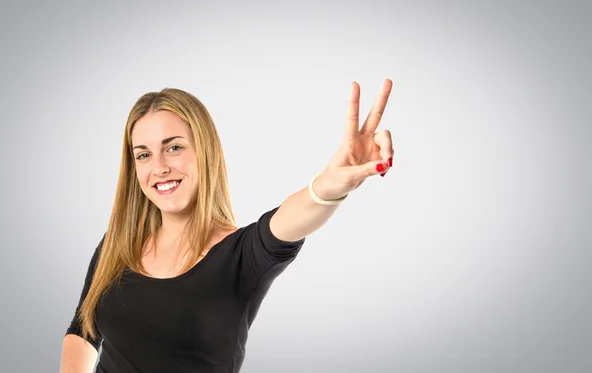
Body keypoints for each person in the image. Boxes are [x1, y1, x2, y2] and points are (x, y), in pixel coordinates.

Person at [59, 79, 394, 373]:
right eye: (143, 154)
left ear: (204, 151)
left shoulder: (241, 256)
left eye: (173, 148)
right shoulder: (118, 242)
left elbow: (288, 219)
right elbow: (83, 329)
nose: (158, 167)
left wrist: (328, 186)